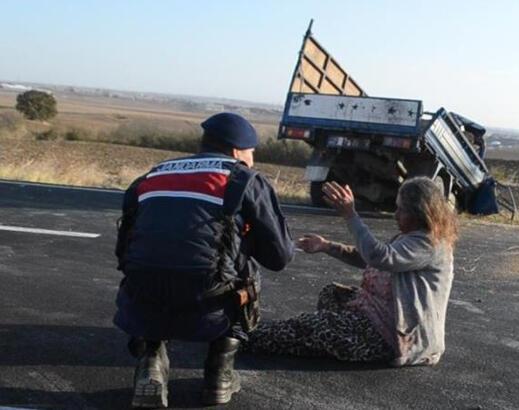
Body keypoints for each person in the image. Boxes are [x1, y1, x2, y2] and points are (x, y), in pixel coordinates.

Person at [113, 112, 295, 408]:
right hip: (208, 295)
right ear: (238, 151)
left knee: (146, 267)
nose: (251, 158)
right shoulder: (245, 179)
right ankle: (219, 375)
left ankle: (150, 363)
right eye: (251, 152)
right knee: (247, 271)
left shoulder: (153, 174)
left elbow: (124, 248)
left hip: (142, 293)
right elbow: (279, 256)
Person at [244, 177, 457, 366]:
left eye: (401, 209)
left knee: (311, 328)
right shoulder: (412, 237)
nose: (396, 214)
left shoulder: (430, 244)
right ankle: (329, 336)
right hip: (377, 314)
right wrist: (326, 246)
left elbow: (380, 257)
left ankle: (242, 338)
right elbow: (369, 258)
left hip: (395, 337)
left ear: (421, 213)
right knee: (332, 294)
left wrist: (350, 215)